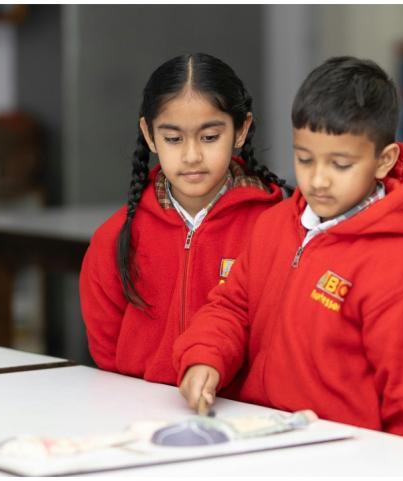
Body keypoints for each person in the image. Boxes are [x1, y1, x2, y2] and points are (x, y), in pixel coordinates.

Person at [173, 56, 403, 445]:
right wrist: (206, 355)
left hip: (345, 456)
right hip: (258, 435)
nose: (318, 180)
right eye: (304, 159)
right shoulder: (275, 225)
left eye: (340, 164)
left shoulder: (401, 270)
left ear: (384, 160)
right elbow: (233, 306)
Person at [80, 53, 286, 386]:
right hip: (137, 415)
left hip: (241, 419)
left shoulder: (274, 229)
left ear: (241, 129)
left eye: (209, 137)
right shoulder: (115, 237)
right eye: (173, 139)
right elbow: (106, 353)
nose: (191, 156)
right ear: (149, 135)